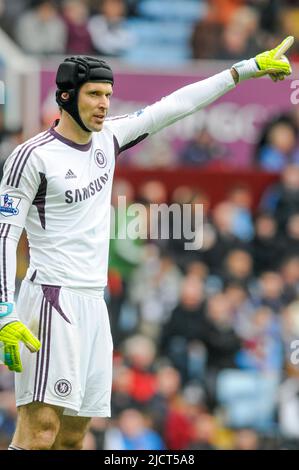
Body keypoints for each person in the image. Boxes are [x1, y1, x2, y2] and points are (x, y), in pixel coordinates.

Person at [0, 36, 293, 450]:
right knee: (39, 432)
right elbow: (4, 234)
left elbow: (175, 106)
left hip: (93, 303)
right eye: (94, 94)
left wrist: (246, 68)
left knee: (71, 437)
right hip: (51, 298)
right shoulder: (32, 157)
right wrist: (3, 310)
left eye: (108, 94)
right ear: (66, 97)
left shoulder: (109, 139)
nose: (105, 103)